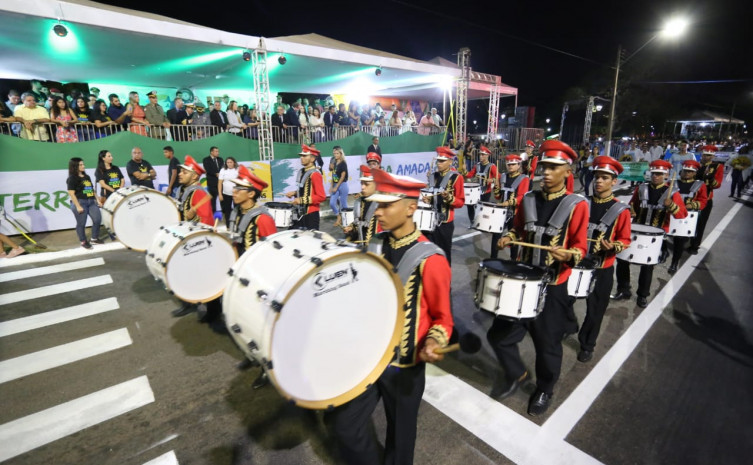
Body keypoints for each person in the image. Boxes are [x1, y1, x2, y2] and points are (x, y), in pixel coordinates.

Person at [325, 167, 453, 465]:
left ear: (410, 208)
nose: (378, 211)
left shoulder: (431, 260)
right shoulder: (376, 245)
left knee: (401, 439)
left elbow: (443, 318)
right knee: (343, 424)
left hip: (404, 366)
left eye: (386, 205)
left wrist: (434, 341)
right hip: (370, 359)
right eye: (377, 204)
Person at [489, 140, 588, 416]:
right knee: (498, 335)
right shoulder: (528, 199)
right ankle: (516, 373)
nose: (546, 172)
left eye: (554, 168)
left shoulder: (576, 205)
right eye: (544, 166)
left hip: (553, 286)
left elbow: (581, 247)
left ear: (568, 171)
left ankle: (545, 388)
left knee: (547, 346)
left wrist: (568, 255)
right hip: (523, 280)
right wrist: (509, 237)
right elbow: (518, 229)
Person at [574, 156, 632, 363]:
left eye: (604, 177)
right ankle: (569, 324)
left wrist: (613, 247)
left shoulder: (620, 210)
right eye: (596, 177)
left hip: (602, 267)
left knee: (595, 310)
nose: (598, 181)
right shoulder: (581, 204)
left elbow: (625, 240)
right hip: (576, 263)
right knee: (562, 300)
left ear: (613, 181)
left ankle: (587, 344)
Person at [612, 159, 688, 308]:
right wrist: (631, 210)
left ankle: (642, 295)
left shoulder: (672, 192)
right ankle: (623, 289)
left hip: (656, 235)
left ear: (666, 175)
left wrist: (671, 205)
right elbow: (632, 205)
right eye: (654, 173)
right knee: (622, 259)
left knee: (647, 266)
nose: (655, 176)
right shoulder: (641, 188)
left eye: (659, 174)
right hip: (636, 230)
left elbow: (682, 215)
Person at [171, 155, 215, 318]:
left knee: (201, 276)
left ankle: (209, 308)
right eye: (181, 171)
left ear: (195, 176)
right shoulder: (186, 190)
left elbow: (206, 220)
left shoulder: (197, 192)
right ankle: (188, 303)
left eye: (184, 172)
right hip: (186, 238)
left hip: (196, 241)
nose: (180, 174)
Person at [422, 146, 464, 263]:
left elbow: (460, 202)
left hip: (445, 222)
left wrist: (449, 198)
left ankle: (446, 280)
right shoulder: (433, 176)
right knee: (429, 253)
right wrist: (427, 199)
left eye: (442, 161)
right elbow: (432, 196)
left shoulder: (456, 177)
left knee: (444, 254)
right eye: (438, 160)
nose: (439, 163)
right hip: (429, 220)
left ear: (450, 161)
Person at [668, 159, 708, 274]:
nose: (687, 173)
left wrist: (693, 204)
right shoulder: (673, 182)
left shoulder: (700, 185)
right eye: (685, 170)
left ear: (694, 173)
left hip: (687, 216)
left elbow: (703, 201)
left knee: (679, 241)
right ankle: (663, 252)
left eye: (690, 171)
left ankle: (675, 262)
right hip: (670, 214)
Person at [490, 154, 530, 259]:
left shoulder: (524, 179)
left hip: (515, 213)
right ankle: (493, 258)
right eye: (509, 164)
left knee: (513, 239)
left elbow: (522, 196)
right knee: (496, 236)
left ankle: (512, 261)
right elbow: (498, 197)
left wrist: (508, 202)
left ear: (518, 165)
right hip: (501, 212)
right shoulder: (503, 176)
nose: (510, 166)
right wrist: (496, 188)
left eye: (513, 164)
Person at [688, 145, 724, 254]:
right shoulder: (697, 165)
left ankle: (695, 245)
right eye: (704, 154)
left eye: (708, 155)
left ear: (712, 156)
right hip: (692, 198)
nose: (705, 157)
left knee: (701, 223)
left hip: (706, 199)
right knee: (690, 221)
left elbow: (717, 185)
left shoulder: (717, 167)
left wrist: (711, 179)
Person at [285, 145, 326, 230]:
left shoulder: (315, 174)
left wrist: (301, 200)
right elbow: (305, 189)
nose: (301, 158)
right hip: (300, 212)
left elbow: (321, 196)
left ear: (312, 159)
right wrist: (295, 193)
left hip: (311, 214)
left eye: (304, 156)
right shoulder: (302, 171)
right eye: (301, 156)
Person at [66, 157, 103, 249]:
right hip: (80, 202)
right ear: (75, 166)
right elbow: (71, 193)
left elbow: (91, 189)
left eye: (83, 164)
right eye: (81, 165)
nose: (83, 166)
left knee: (97, 219)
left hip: (91, 202)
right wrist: (78, 206)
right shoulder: (72, 178)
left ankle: (94, 238)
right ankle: (83, 241)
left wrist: (98, 200)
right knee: (81, 223)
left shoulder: (87, 177)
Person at [343, 164, 380, 246]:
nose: (362, 187)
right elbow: (360, 224)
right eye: (361, 183)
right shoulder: (361, 201)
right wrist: (351, 228)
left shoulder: (382, 204)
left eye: (366, 184)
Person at [464, 146, 498, 223]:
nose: (481, 156)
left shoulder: (492, 166)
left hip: (486, 191)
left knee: (483, 208)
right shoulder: (477, 165)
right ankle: (472, 220)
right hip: (477, 190)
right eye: (480, 154)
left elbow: (498, 177)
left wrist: (492, 179)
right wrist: (464, 170)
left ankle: (482, 222)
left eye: (483, 154)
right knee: (470, 204)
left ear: (487, 155)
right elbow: (470, 175)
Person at [330, 146, 350, 227]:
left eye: (337, 153)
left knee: (344, 204)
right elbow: (333, 175)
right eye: (334, 153)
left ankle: (347, 222)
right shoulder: (334, 163)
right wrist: (332, 186)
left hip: (342, 185)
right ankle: (339, 217)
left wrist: (336, 187)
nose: (335, 155)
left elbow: (342, 177)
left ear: (341, 154)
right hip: (335, 185)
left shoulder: (343, 163)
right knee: (332, 203)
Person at [218, 157, 239, 227]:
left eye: (231, 162)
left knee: (238, 210)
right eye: (227, 162)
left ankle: (238, 225)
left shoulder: (238, 170)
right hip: (226, 194)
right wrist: (220, 194)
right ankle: (228, 226)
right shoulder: (223, 170)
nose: (229, 164)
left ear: (234, 163)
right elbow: (220, 183)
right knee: (227, 210)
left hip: (236, 194)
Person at [202, 147, 224, 213]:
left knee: (222, 199)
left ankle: (224, 214)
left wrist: (220, 174)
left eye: (218, 151)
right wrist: (215, 174)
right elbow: (208, 170)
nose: (218, 153)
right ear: (211, 152)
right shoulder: (206, 160)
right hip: (212, 183)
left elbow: (223, 168)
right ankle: (213, 215)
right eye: (216, 151)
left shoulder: (220, 159)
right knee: (212, 200)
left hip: (221, 182)